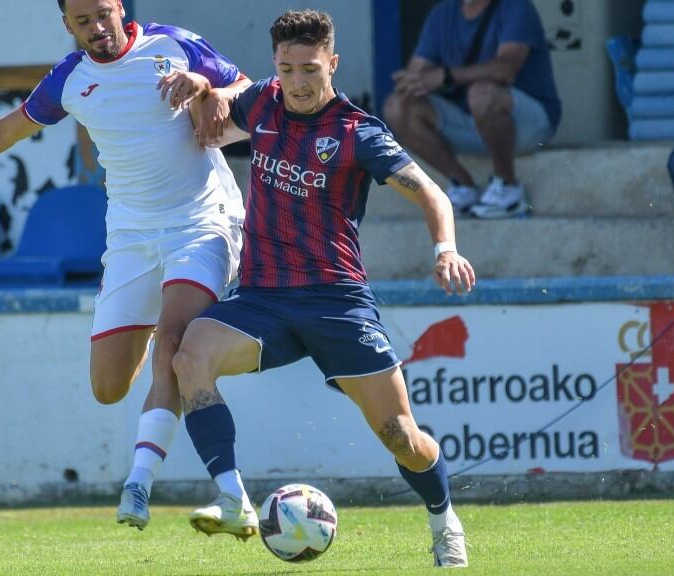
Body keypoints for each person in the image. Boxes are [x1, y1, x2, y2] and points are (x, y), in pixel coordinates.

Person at [0, 0, 249, 530]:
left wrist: (208, 88)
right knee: (108, 388)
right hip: (130, 237)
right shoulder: (69, 80)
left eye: (104, 14)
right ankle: (171, 341)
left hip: (202, 221)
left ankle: (139, 484)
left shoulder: (174, 45)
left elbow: (257, 95)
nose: (98, 27)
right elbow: (4, 132)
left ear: (119, 8)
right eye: (83, 20)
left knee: (173, 343)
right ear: (67, 25)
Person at [178, 10, 474, 567]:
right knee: (190, 354)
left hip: (337, 302)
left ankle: (443, 518)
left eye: (310, 69)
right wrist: (202, 86)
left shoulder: (358, 132)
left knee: (401, 438)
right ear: (276, 66)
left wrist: (446, 250)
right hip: (263, 297)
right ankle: (232, 497)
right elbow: (219, 101)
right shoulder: (262, 100)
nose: (297, 82)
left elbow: (433, 194)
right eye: (287, 69)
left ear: (332, 63)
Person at [385, 0, 561, 219]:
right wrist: (412, 81)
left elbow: (505, 69)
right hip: (471, 122)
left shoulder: (516, 7)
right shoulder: (442, 14)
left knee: (482, 93)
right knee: (397, 106)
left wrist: (445, 76)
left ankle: (508, 187)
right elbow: (416, 73)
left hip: (528, 125)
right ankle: (463, 186)